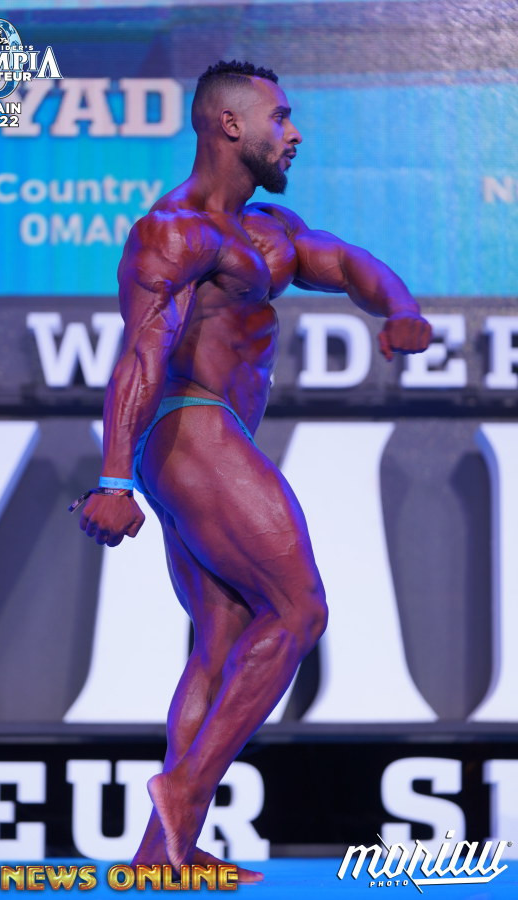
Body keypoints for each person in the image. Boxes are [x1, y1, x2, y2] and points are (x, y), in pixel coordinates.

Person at [76, 59, 432, 880]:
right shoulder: (171, 232)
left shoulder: (267, 230)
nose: (294, 132)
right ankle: (186, 787)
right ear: (231, 125)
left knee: (223, 639)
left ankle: (160, 854)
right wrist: (114, 479)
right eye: (281, 117)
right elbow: (141, 354)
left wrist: (401, 308)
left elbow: (345, 264)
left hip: (204, 432)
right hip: (187, 422)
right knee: (299, 609)